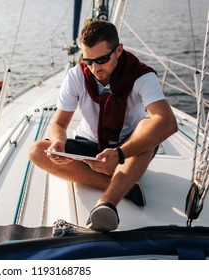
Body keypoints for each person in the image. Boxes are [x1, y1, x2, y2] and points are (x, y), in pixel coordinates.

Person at [28, 20, 178, 232]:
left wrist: (119, 153)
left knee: (147, 126)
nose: (94, 68)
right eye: (88, 61)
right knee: (37, 150)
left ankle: (107, 202)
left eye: (102, 60)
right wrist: (58, 142)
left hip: (126, 150)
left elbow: (168, 123)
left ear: (118, 50)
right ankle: (124, 186)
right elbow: (59, 123)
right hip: (88, 146)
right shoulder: (77, 75)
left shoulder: (142, 76)